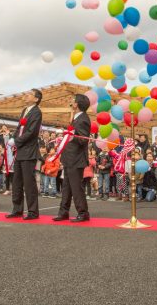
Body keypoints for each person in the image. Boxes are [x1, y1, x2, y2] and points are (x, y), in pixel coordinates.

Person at [54, 94, 92, 222]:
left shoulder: (83, 119)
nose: (71, 102)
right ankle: (63, 211)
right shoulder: (76, 118)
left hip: (76, 158)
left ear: (78, 104)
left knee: (76, 188)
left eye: (73, 101)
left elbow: (83, 140)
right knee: (66, 187)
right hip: (69, 157)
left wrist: (72, 136)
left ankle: (83, 212)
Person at [7, 89, 42, 220]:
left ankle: (33, 211)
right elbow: (19, 128)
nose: (26, 96)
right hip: (20, 151)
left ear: (36, 99)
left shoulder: (37, 112)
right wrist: (13, 138)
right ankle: (17, 209)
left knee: (29, 183)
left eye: (29, 95)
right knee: (16, 182)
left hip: (29, 151)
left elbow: (31, 132)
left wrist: (16, 141)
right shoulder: (24, 110)